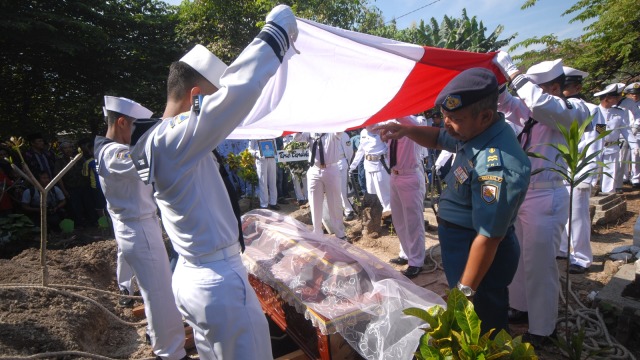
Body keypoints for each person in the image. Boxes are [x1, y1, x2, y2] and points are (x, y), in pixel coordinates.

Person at [129, 6, 298, 359]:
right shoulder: (170, 141)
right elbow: (239, 90)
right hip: (218, 281)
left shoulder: (162, 143)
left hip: (196, 275)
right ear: (195, 97)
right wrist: (276, 33)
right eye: (209, 98)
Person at [376, 67, 531, 336]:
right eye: (445, 117)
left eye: (454, 118)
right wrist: (405, 130)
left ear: (484, 116)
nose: (447, 124)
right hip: (462, 246)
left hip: (479, 255)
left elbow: (489, 238)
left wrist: (465, 292)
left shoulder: (497, 166)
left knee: (482, 325)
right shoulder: (473, 133)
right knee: (470, 324)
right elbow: (438, 138)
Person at [494, 54, 591, 346]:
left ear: (550, 87)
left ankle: (543, 328)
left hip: (547, 194)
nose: (525, 95)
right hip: (524, 194)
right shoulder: (534, 108)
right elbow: (505, 103)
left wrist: (512, 68)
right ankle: (521, 308)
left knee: (541, 267)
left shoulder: (572, 108)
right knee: (520, 260)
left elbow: (536, 104)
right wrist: (496, 75)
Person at [95, 96, 187, 360]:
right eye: (137, 127)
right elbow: (154, 157)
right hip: (139, 229)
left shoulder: (108, 150)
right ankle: (169, 352)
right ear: (122, 122)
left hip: (136, 227)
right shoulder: (115, 154)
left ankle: (156, 335)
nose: (139, 134)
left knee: (153, 290)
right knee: (160, 294)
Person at [556, 67, 602, 275]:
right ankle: (563, 248)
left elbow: (595, 141)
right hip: (559, 168)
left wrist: (590, 172)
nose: (561, 91)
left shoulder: (591, 109)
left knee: (577, 214)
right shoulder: (556, 108)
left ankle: (582, 257)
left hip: (579, 167)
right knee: (562, 212)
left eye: (565, 87)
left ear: (577, 87)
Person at [383, 116, 427, 279]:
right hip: (394, 176)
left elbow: (413, 124)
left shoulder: (412, 122)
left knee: (413, 221)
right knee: (399, 220)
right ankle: (407, 254)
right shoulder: (392, 123)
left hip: (409, 175)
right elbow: (372, 128)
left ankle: (416, 262)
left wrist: (397, 112)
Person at [293, 132, 348, 240]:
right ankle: (317, 232)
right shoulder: (310, 130)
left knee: (334, 202)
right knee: (314, 202)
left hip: (331, 168)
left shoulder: (332, 130)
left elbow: (339, 129)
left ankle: (340, 234)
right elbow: (297, 138)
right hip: (314, 168)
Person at [593, 83, 637, 194]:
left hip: (612, 147)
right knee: (593, 172)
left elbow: (626, 131)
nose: (619, 99)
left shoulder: (619, 113)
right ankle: (590, 194)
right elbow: (598, 132)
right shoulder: (595, 111)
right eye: (616, 97)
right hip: (596, 147)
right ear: (607, 98)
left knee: (610, 173)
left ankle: (608, 194)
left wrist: (634, 145)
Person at [349, 126, 392, 220]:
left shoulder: (383, 130)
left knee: (384, 191)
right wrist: (352, 166)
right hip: (368, 165)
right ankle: (378, 214)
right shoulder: (363, 132)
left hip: (381, 164)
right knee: (372, 191)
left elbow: (390, 147)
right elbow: (361, 150)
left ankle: (390, 213)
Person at [248, 138, 280, 210]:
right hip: (261, 160)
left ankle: (273, 202)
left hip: (271, 158)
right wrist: (256, 153)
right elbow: (250, 149)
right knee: (263, 182)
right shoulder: (254, 134)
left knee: (273, 181)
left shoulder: (271, 132)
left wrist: (275, 154)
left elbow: (274, 144)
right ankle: (264, 204)